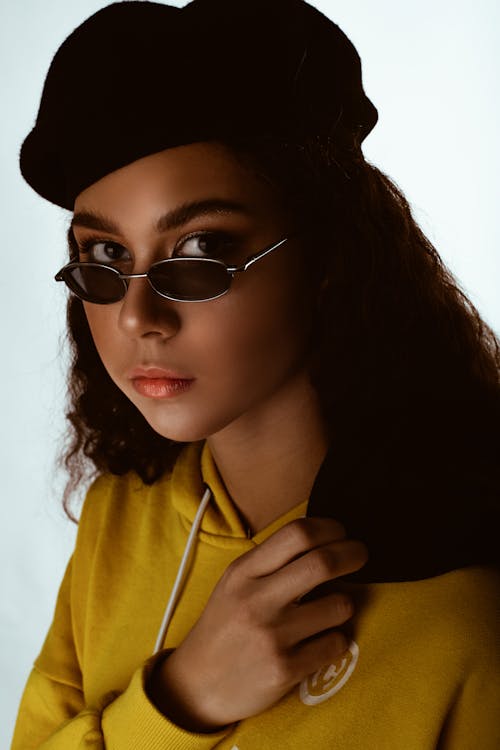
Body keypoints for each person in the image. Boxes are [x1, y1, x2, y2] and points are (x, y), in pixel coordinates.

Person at [11, 0, 500, 747]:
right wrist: (182, 699)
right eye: (104, 257)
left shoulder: (463, 600)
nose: (139, 315)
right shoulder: (122, 513)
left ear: (331, 260)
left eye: (201, 250)